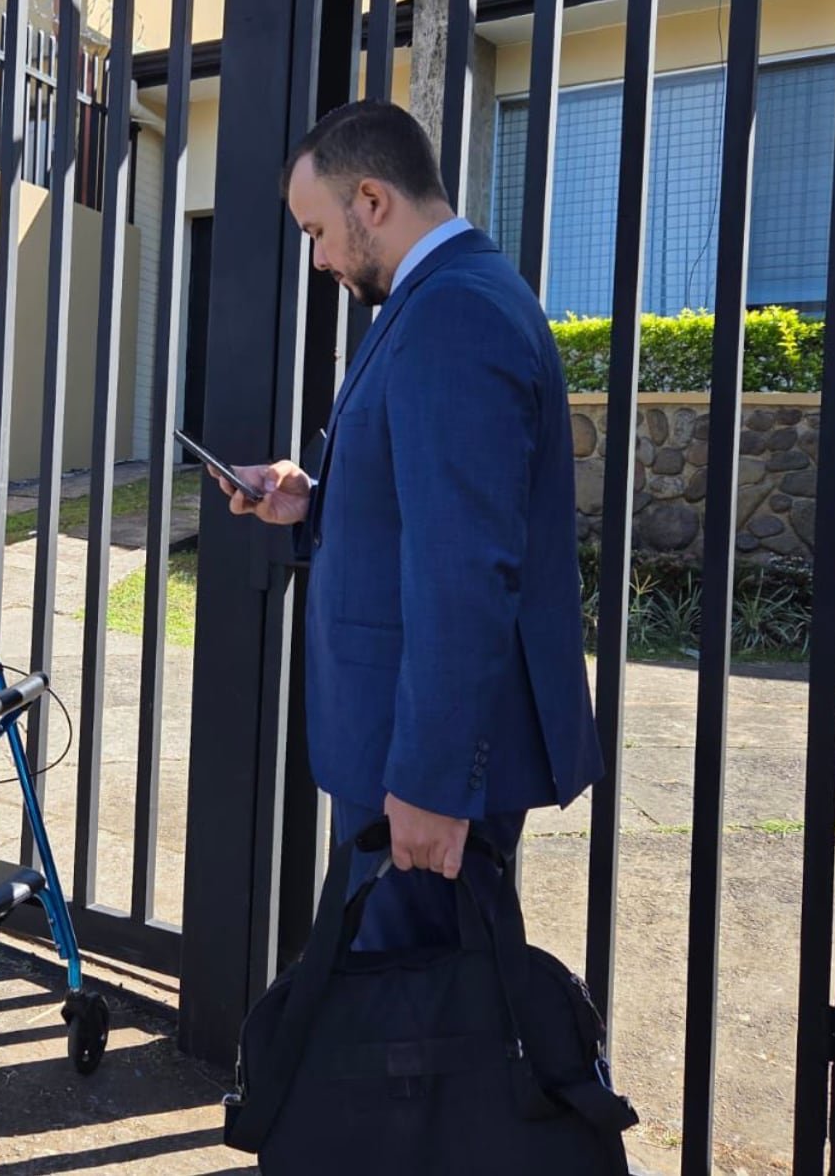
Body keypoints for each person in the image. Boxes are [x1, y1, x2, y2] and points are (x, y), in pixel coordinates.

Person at [217, 101, 603, 947]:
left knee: (414, 1011)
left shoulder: (454, 312)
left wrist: (432, 781)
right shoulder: (443, 298)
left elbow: (465, 566)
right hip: (396, 750)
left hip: (416, 769)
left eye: (318, 231)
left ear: (372, 200)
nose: (319, 259)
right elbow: (425, 509)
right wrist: (309, 500)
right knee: (407, 1002)